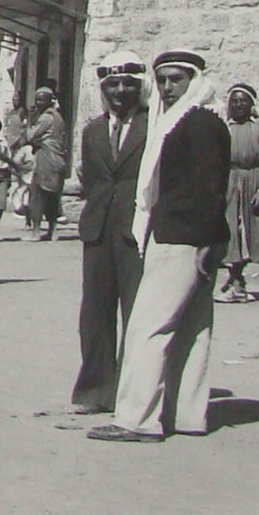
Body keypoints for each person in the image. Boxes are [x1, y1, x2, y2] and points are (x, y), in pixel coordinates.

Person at [89, 49, 231, 443]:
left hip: (183, 237)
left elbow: (211, 188)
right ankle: (185, 414)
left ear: (194, 81)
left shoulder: (199, 122)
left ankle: (136, 419)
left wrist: (206, 241)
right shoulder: (176, 120)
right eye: (163, 80)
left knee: (147, 328)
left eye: (177, 80)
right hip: (183, 235)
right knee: (190, 329)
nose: (168, 88)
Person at [71, 51, 149, 415]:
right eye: (113, 84)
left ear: (140, 87)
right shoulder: (93, 131)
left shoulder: (154, 127)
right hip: (98, 229)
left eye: (128, 84)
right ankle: (96, 390)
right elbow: (91, 179)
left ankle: (133, 392)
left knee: (137, 312)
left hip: (138, 230)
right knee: (95, 314)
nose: (120, 91)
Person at [219, 83, 259, 304]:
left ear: (251, 104)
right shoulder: (224, 127)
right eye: (235, 101)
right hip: (229, 178)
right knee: (230, 229)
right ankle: (235, 281)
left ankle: (237, 279)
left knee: (252, 231)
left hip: (253, 178)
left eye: (244, 101)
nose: (239, 105)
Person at [23, 85, 69, 241]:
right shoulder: (58, 117)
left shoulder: (46, 118)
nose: (38, 103)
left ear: (49, 101)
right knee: (52, 195)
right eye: (37, 99)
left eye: (41, 100)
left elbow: (30, 136)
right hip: (58, 158)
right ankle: (53, 230)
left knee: (38, 194)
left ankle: (36, 231)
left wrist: (29, 120)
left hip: (46, 157)